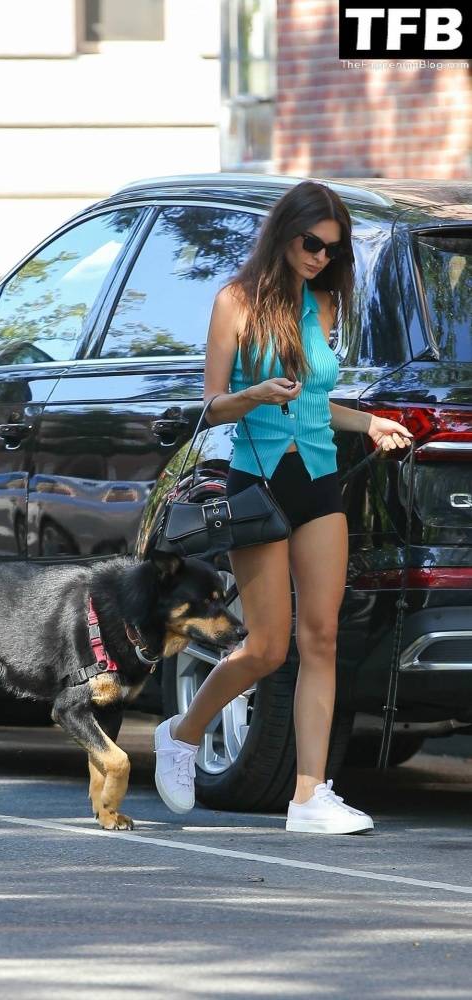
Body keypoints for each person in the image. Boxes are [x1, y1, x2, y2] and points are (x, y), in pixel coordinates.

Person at [154, 180, 414, 835]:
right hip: (258, 482)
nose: (321, 257)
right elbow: (211, 404)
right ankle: (182, 734)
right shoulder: (234, 301)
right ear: (284, 234)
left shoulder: (324, 306)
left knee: (320, 638)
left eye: (332, 249)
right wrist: (254, 395)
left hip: (319, 483)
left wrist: (370, 424)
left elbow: (313, 403)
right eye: (311, 243)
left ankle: (307, 796)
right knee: (267, 647)